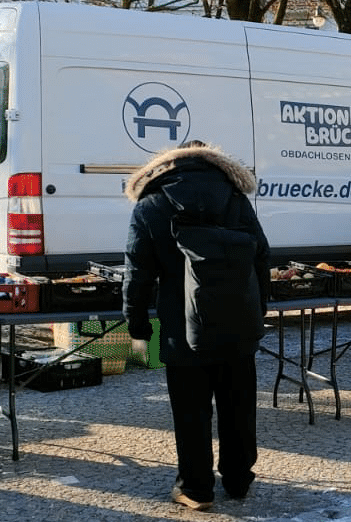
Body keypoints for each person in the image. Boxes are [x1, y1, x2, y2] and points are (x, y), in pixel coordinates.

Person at [122, 140, 270, 511]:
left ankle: (196, 489)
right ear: (215, 163)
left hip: (179, 329)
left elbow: (137, 275)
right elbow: (262, 258)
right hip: (238, 323)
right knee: (239, 405)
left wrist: (137, 326)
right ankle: (238, 481)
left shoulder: (151, 205)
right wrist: (258, 312)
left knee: (191, 411)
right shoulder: (236, 199)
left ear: (166, 165)